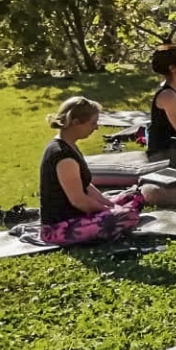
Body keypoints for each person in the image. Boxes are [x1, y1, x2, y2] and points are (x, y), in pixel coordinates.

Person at [37, 97, 145, 247]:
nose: (95, 128)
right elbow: (79, 201)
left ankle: (111, 213)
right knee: (128, 216)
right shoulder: (63, 156)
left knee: (134, 196)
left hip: (80, 214)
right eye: (92, 123)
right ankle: (112, 218)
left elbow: (86, 185)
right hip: (59, 228)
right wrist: (110, 209)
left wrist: (108, 204)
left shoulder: (70, 146)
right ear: (75, 123)